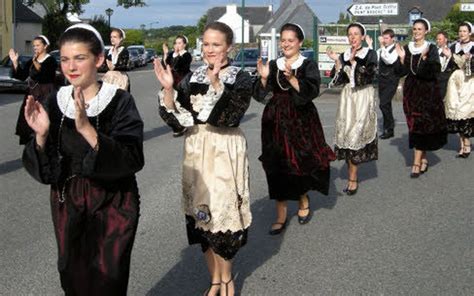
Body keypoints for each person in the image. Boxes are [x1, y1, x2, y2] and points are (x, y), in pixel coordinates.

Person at [21, 23, 144, 295]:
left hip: (114, 202)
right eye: (65, 59)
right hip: (68, 201)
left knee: (108, 278)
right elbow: (46, 170)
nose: (71, 66)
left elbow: (132, 157)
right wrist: (41, 136)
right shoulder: (55, 101)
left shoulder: (119, 101)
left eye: (80, 58)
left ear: (98, 59)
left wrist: (87, 129)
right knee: (73, 276)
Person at [154, 22, 252, 296]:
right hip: (197, 149)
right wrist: (169, 91)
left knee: (223, 218)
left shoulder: (240, 77)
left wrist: (218, 84)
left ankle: (227, 279)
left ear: (229, 47)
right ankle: (215, 279)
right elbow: (181, 121)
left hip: (224, 150)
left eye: (216, 45)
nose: (210, 50)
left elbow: (229, 117)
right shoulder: (192, 77)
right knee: (202, 218)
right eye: (206, 44)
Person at [253, 23, 335, 235]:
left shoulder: (307, 64)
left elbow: (312, 90)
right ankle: (280, 214)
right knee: (275, 164)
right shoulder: (273, 64)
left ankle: (302, 199)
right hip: (274, 121)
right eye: (283, 40)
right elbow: (261, 95)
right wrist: (263, 78)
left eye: (291, 40)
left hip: (301, 121)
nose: (286, 44)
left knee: (298, 162)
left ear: (299, 42)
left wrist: (292, 79)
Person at [327, 22, 378, 194]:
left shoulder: (370, 54)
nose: (353, 37)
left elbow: (371, 75)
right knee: (347, 134)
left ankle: (353, 178)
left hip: (363, 96)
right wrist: (337, 63)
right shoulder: (344, 54)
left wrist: (355, 62)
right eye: (350, 34)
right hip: (348, 98)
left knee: (356, 135)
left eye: (356, 34)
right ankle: (351, 171)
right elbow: (338, 80)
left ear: (363, 36)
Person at [395, 18, 447, 177]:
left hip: (427, 92)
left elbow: (434, 71)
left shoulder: (430, 49)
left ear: (426, 31)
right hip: (411, 92)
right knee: (415, 125)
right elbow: (400, 72)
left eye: (420, 29)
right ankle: (423, 159)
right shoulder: (406, 48)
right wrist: (402, 59)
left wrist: (424, 60)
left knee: (421, 124)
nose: (416, 32)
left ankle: (417, 162)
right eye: (415, 29)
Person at [9, 35, 57, 144]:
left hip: (45, 94)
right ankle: (31, 144)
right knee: (29, 119)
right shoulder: (32, 61)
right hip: (32, 93)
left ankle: (44, 143)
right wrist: (15, 62)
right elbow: (21, 76)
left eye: (38, 45)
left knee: (45, 119)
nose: (35, 48)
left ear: (45, 46)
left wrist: (35, 61)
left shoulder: (51, 60)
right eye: (34, 46)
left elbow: (43, 74)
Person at [443, 21, 474, 158]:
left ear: (470, 33)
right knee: (456, 112)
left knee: (464, 111)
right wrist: (448, 57)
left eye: (464, 31)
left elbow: (471, 70)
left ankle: (466, 144)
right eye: (460, 31)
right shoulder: (453, 46)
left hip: (469, 83)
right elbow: (448, 67)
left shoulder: (473, 47)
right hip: (455, 83)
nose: (461, 33)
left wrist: (467, 61)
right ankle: (462, 144)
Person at [159, 35, 193, 137]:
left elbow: (179, 67)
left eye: (179, 43)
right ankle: (177, 125)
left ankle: (184, 124)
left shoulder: (186, 55)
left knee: (180, 104)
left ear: (184, 45)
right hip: (171, 82)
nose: (177, 45)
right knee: (164, 106)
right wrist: (165, 53)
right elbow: (165, 66)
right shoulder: (172, 54)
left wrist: (178, 55)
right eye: (175, 43)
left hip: (182, 82)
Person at [377, 29, 401, 139]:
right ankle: (388, 128)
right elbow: (378, 59)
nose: (384, 40)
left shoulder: (396, 49)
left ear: (392, 39)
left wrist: (382, 47)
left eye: (386, 38)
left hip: (391, 79)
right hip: (382, 79)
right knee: (386, 104)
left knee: (383, 103)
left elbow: (389, 60)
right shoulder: (381, 49)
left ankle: (389, 128)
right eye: (383, 38)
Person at [436, 31, 451, 99]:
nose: (437, 41)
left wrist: (449, 57)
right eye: (437, 39)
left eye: (440, 39)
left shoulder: (450, 50)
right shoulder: (434, 50)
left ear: (445, 40)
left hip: (444, 80)